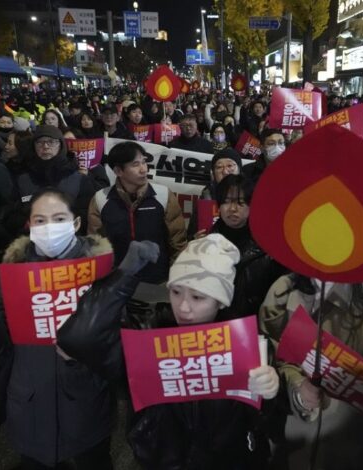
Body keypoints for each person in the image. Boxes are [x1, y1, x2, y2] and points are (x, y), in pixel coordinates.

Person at [57, 234, 280, 469]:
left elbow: (261, 420)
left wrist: (270, 389)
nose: (183, 307)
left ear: (221, 302)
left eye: (198, 297)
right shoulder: (147, 337)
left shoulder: (246, 345)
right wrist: (123, 276)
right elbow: (79, 336)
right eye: (176, 292)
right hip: (162, 459)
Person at [0, 189, 131, 469]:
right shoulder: (12, 273)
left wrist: (84, 355)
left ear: (75, 223)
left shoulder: (100, 271)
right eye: (40, 221)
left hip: (87, 398)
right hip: (30, 401)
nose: (49, 227)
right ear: (29, 226)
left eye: (58, 218)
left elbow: (117, 344)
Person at [260, 274, 363, 469]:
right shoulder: (283, 290)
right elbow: (270, 350)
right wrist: (296, 385)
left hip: (344, 434)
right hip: (290, 428)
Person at [87, 141, 186, 284]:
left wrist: (177, 277)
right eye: (135, 164)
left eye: (144, 162)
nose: (144, 169)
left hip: (159, 281)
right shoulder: (100, 199)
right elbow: (96, 247)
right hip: (117, 283)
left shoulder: (163, 195)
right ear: (118, 171)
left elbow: (178, 242)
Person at [210, 174, 287, 318]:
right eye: (226, 202)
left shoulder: (269, 248)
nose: (232, 209)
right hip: (218, 328)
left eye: (240, 203)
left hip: (255, 327)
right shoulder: (206, 244)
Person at [14, 125, 98, 236]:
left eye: (51, 142)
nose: (45, 146)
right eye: (40, 142)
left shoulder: (78, 178)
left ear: (60, 145)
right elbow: (13, 212)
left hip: (71, 241)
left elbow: (87, 215)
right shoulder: (23, 178)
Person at [188, 148, 243, 240]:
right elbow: (190, 234)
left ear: (239, 170)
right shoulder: (206, 197)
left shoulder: (252, 195)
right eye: (219, 167)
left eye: (230, 165)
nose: (225, 172)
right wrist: (195, 239)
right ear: (213, 174)